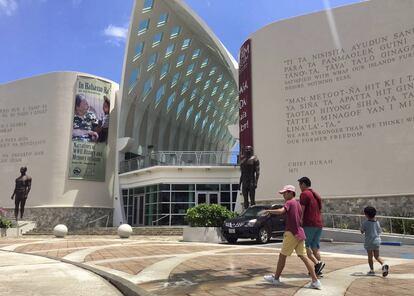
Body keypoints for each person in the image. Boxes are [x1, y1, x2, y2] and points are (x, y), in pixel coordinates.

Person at [263, 185, 322, 290]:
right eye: (283, 194)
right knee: (303, 257)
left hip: (291, 233)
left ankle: (276, 279)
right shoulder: (298, 204)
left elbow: (281, 211)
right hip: (300, 233)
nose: (283, 195)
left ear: (291, 193)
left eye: (285, 193)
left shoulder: (289, 202)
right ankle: (315, 281)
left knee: (282, 256)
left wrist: (269, 211)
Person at [298, 176, 325, 276]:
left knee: (305, 246)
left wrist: (299, 220)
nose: (299, 187)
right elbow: (320, 210)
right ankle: (318, 269)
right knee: (315, 247)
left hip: (309, 224)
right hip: (319, 224)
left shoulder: (304, 194)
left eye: (300, 185)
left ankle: (318, 264)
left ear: (304, 184)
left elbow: (302, 209)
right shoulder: (316, 194)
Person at [361, 206, 389, 276]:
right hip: (377, 241)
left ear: (366, 215)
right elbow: (379, 231)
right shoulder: (377, 222)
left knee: (370, 257)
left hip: (369, 242)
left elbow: (362, 231)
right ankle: (383, 264)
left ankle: (372, 270)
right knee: (377, 256)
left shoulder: (365, 223)